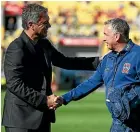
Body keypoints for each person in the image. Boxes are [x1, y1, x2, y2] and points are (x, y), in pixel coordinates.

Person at [2, 4, 100, 132]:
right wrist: (44, 100)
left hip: (42, 117)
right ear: (31, 25)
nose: (49, 26)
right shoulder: (16, 48)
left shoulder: (44, 44)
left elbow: (65, 61)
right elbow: (15, 84)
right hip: (20, 119)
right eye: (45, 23)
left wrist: (100, 62)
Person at [55, 18, 140, 131]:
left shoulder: (137, 55)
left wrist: (132, 100)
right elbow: (91, 83)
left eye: (106, 34)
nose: (103, 38)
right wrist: (64, 98)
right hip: (118, 124)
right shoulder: (107, 59)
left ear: (116, 36)